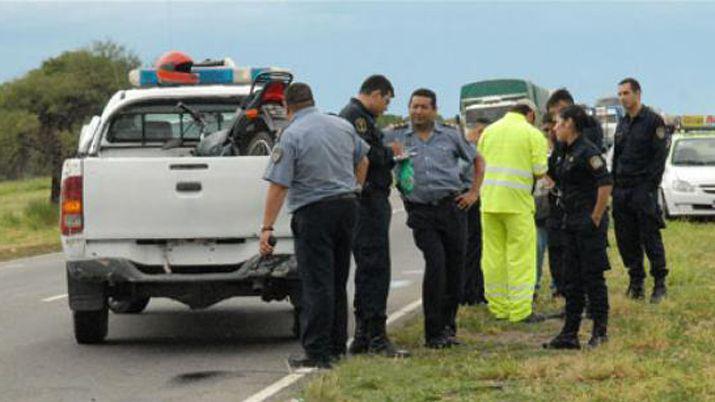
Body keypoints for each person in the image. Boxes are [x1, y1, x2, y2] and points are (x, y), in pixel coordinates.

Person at [260, 83, 370, 369]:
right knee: (337, 279)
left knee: (316, 283)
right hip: (346, 207)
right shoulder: (341, 125)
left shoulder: (291, 135)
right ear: (312, 100)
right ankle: (336, 347)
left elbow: (279, 185)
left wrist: (267, 228)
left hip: (314, 212)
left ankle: (317, 352)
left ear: (287, 107)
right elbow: (364, 160)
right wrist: (355, 189)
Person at [386, 88, 483, 348]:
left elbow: (477, 159)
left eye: (423, 107)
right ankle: (433, 332)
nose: (417, 111)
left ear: (434, 110)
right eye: (414, 106)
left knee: (454, 268)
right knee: (436, 264)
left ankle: (448, 327)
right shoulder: (395, 134)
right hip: (421, 211)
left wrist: (473, 192)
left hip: (452, 208)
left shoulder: (450, 135)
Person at [338, 75, 408, 357]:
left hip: (367, 200)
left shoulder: (358, 116)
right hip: (368, 200)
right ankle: (376, 337)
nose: (385, 106)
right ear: (376, 94)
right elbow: (368, 156)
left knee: (368, 269)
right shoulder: (357, 117)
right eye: (387, 100)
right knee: (376, 268)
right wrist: (390, 153)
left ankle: (364, 336)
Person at [544, 105, 612, 349]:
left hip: (587, 222)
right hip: (569, 221)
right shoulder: (563, 150)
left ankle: (600, 332)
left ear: (570, 123)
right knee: (571, 280)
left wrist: (595, 216)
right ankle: (569, 333)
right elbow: (551, 174)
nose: (554, 127)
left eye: (558, 123)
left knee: (592, 277)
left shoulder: (588, 151)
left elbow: (605, 185)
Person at [477, 99, 548, 323]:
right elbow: (540, 170)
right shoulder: (532, 134)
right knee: (521, 257)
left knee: (493, 256)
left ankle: (498, 307)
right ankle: (520, 310)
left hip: (489, 202)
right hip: (517, 205)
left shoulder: (489, 131)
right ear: (531, 114)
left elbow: (478, 163)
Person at [612, 78, 670, 303]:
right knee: (626, 238)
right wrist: (614, 185)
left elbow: (659, 159)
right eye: (620, 94)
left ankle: (659, 283)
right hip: (622, 190)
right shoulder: (623, 123)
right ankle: (636, 281)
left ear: (638, 94)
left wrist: (648, 188)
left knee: (649, 236)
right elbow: (617, 156)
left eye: (626, 93)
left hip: (642, 189)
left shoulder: (653, 121)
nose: (622, 98)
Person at [460, 118, 490, 305]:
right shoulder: (466, 148)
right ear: (478, 131)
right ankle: (469, 293)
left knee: (474, 249)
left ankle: (475, 291)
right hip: (466, 202)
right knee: (470, 249)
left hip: (471, 200)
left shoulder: (468, 147)